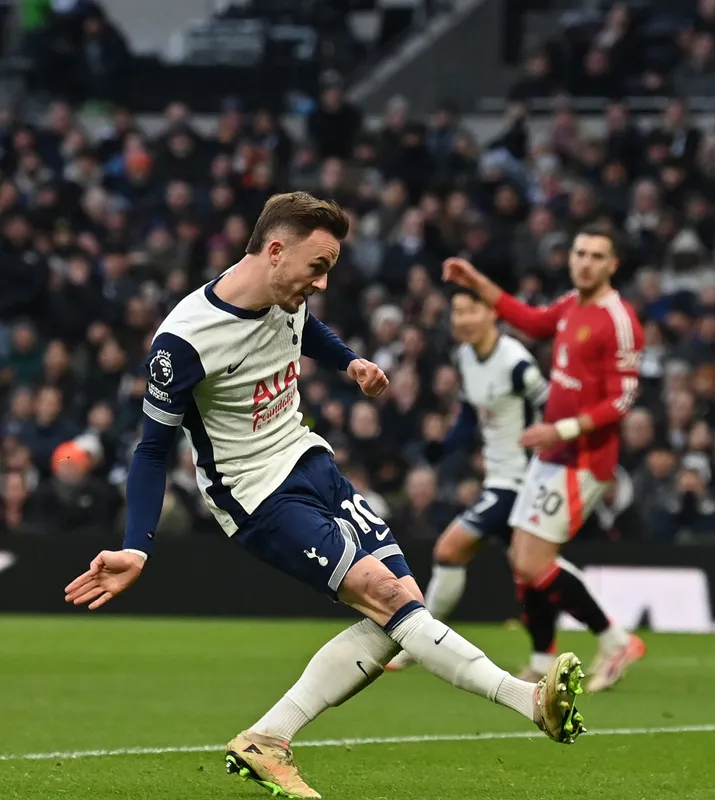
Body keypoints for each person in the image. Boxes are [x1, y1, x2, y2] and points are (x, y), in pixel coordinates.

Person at [62, 193, 586, 800]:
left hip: (310, 461)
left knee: (402, 611)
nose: (323, 281)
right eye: (318, 266)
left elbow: (304, 328)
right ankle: (530, 702)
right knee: (391, 599)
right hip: (255, 494)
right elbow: (152, 451)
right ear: (275, 251)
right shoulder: (182, 342)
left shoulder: (286, 295)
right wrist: (138, 548)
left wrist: (350, 362)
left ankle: (267, 738)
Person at [442, 222, 646, 693]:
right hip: (552, 452)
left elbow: (622, 400)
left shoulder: (618, 319)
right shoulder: (572, 306)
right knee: (522, 560)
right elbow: (531, 320)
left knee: (535, 562)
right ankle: (540, 657)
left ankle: (615, 641)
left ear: (613, 265)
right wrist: (476, 283)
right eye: (579, 253)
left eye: (596, 256)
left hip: (583, 457)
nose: (585, 262)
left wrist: (562, 428)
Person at [385, 289, 589, 680]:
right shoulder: (465, 357)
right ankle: (574, 647)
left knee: (450, 549)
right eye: (456, 311)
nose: (461, 319)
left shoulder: (516, 362)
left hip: (522, 481)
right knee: (530, 568)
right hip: (500, 479)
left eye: (469, 311)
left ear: (491, 314)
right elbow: (468, 416)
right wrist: (444, 448)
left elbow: (552, 405)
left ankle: (417, 640)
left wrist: (553, 451)